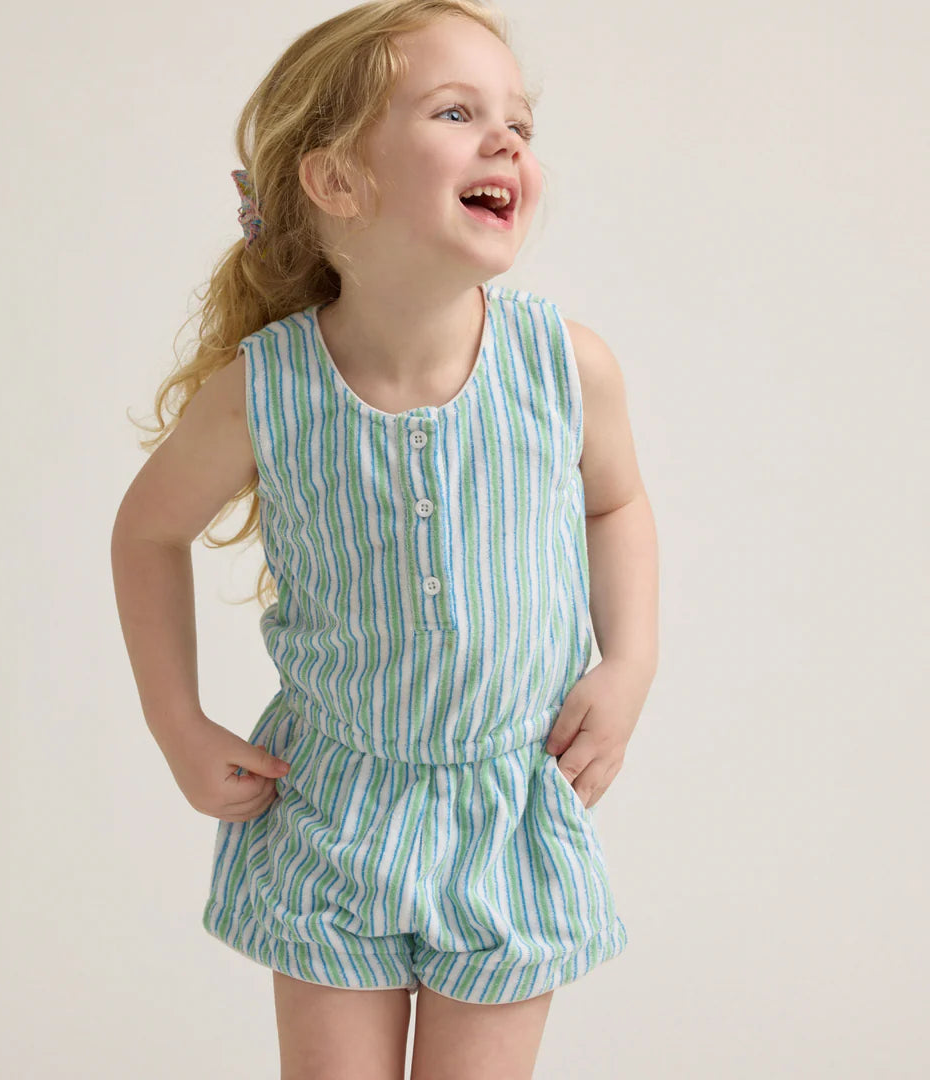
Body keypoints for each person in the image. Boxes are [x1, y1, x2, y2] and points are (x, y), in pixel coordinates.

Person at [111, 1, 659, 1076]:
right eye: (458, 112)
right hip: (331, 807)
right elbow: (146, 532)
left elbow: (617, 503)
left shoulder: (565, 367)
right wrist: (176, 723)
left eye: (521, 124)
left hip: (509, 808)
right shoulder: (262, 391)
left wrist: (630, 660)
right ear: (336, 181)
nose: (507, 139)